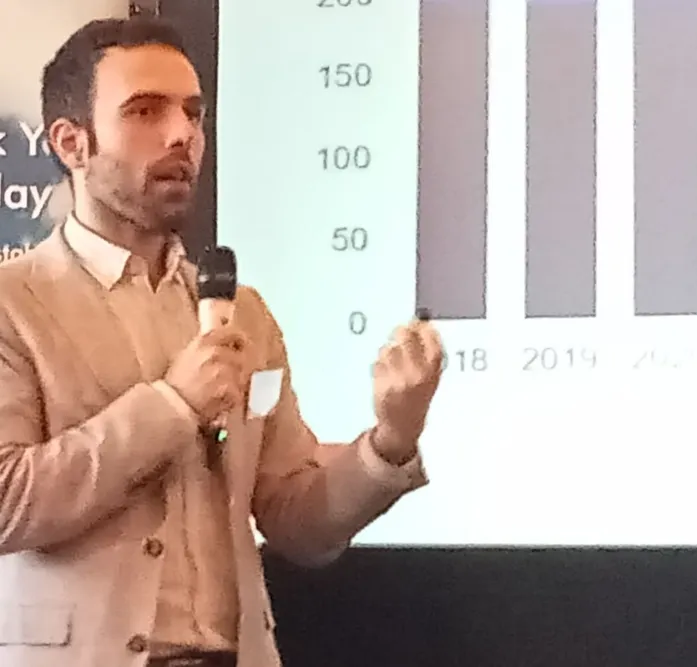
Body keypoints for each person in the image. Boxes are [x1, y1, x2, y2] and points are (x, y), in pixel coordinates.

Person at [0, 16, 443, 667]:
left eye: (193, 113)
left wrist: (390, 441)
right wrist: (174, 404)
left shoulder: (244, 315)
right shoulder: (13, 303)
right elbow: (7, 499)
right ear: (72, 143)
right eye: (145, 111)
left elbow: (297, 522)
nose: (182, 134)